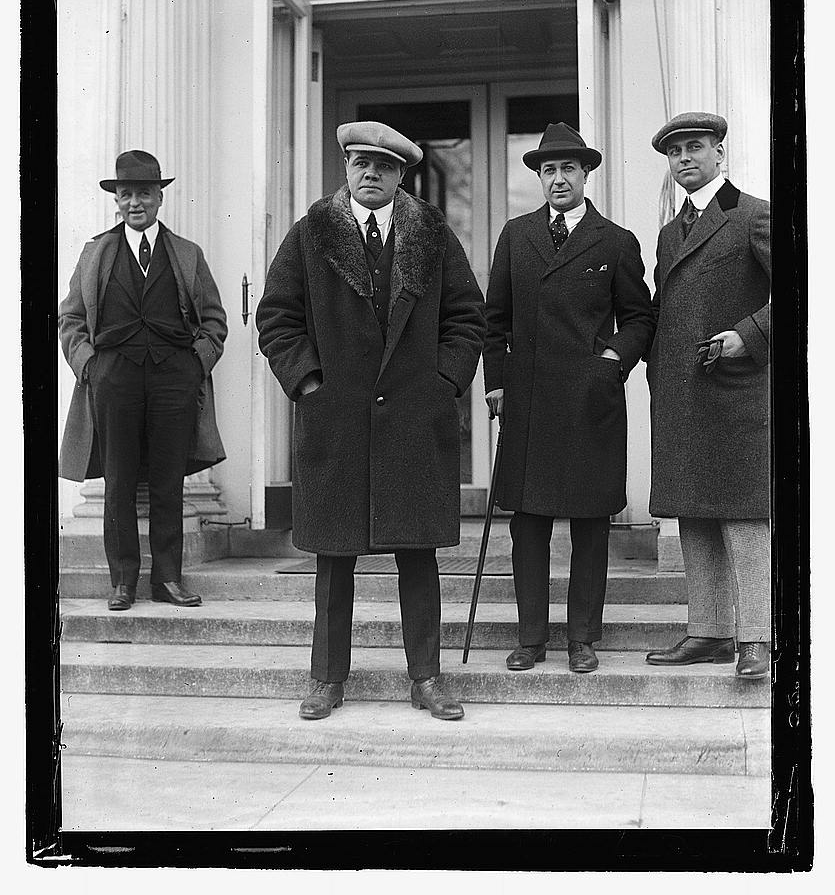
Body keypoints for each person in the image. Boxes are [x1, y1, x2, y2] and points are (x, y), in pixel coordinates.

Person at [257, 121, 485, 721]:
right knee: (334, 560)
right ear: (346, 167)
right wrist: (309, 383)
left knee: (418, 554)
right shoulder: (312, 233)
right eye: (360, 163)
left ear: (401, 175)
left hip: (414, 420)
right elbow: (277, 316)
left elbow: (467, 317)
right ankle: (327, 679)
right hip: (335, 420)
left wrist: (444, 384)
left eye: (383, 167)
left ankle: (427, 678)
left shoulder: (432, 236)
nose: (369, 174)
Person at [483, 122, 654, 674]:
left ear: (586, 175)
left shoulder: (615, 241)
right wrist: (497, 382)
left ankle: (582, 636)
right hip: (529, 400)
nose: (558, 179)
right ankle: (531, 636)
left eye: (568, 169)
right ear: (539, 176)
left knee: (588, 521)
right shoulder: (516, 235)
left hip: (589, 401)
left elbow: (640, 317)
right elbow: (494, 320)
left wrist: (612, 362)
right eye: (548, 170)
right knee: (527, 523)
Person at [59, 150, 227, 611]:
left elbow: (213, 319)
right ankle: (123, 581)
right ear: (117, 200)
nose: (136, 202)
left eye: (145, 194)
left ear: (159, 198)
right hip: (113, 380)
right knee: (118, 481)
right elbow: (70, 319)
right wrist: (89, 365)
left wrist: (196, 363)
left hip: (174, 379)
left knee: (168, 481)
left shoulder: (187, 254)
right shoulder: (95, 253)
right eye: (126, 194)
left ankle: (168, 579)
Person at [644, 112, 771, 678]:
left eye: (695, 148)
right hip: (680, 395)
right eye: (675, 153)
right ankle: (710, 630)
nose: (685, 159)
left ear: (721, 151)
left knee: (744, 518)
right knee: (694, 515)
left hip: (738, 394)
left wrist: (748, 337)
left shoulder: (754, 216)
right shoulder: (670, 232)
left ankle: (759, 638)